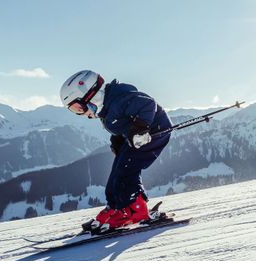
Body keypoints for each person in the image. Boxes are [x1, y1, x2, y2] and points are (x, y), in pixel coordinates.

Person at [60, 70, 173, 234]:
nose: (81, 114)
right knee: (117, 173)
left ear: (91, 95)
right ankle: (115, 207)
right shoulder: (107, 106)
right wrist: (119, 139)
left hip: (153, 134)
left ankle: (135, 211)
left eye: (79, 108)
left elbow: (148, 104)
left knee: (125, 172)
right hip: (136, 138)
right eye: (75, 110)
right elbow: (124, 121)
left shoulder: (118, 101)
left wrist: (141, 129)